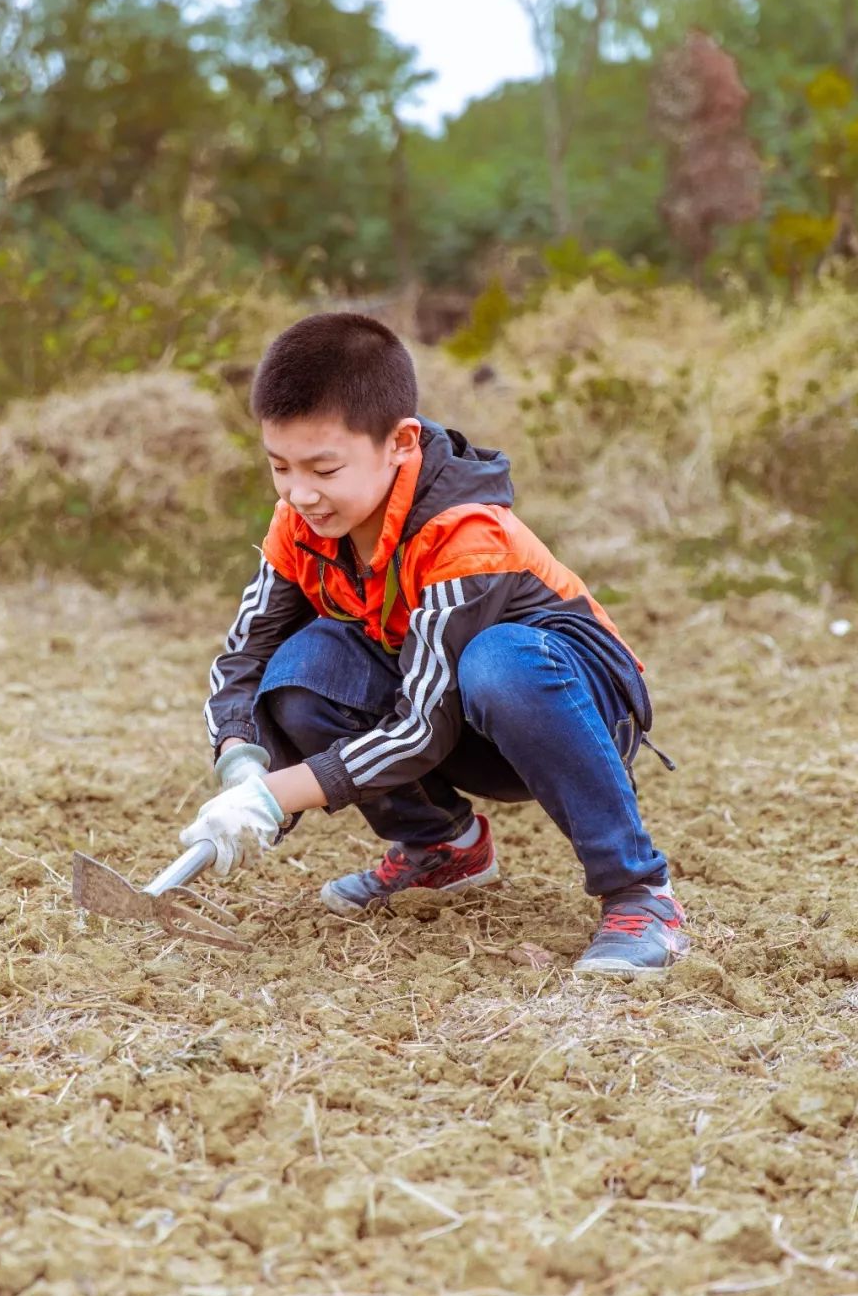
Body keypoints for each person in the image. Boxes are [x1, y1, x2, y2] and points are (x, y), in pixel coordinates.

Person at [180, 312, 689, 976]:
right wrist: (242, 763)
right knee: (301, 667)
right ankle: (444, 850)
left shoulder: (464, 534)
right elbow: (242, 660)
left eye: (324, 467)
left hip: (566, 707)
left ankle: (640, 893)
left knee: (499, 661)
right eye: (279, 466)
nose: (299, 493)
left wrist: (280, 795)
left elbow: (422, 728)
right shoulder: (300, 525)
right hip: (448, 711)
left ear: (400, 441)